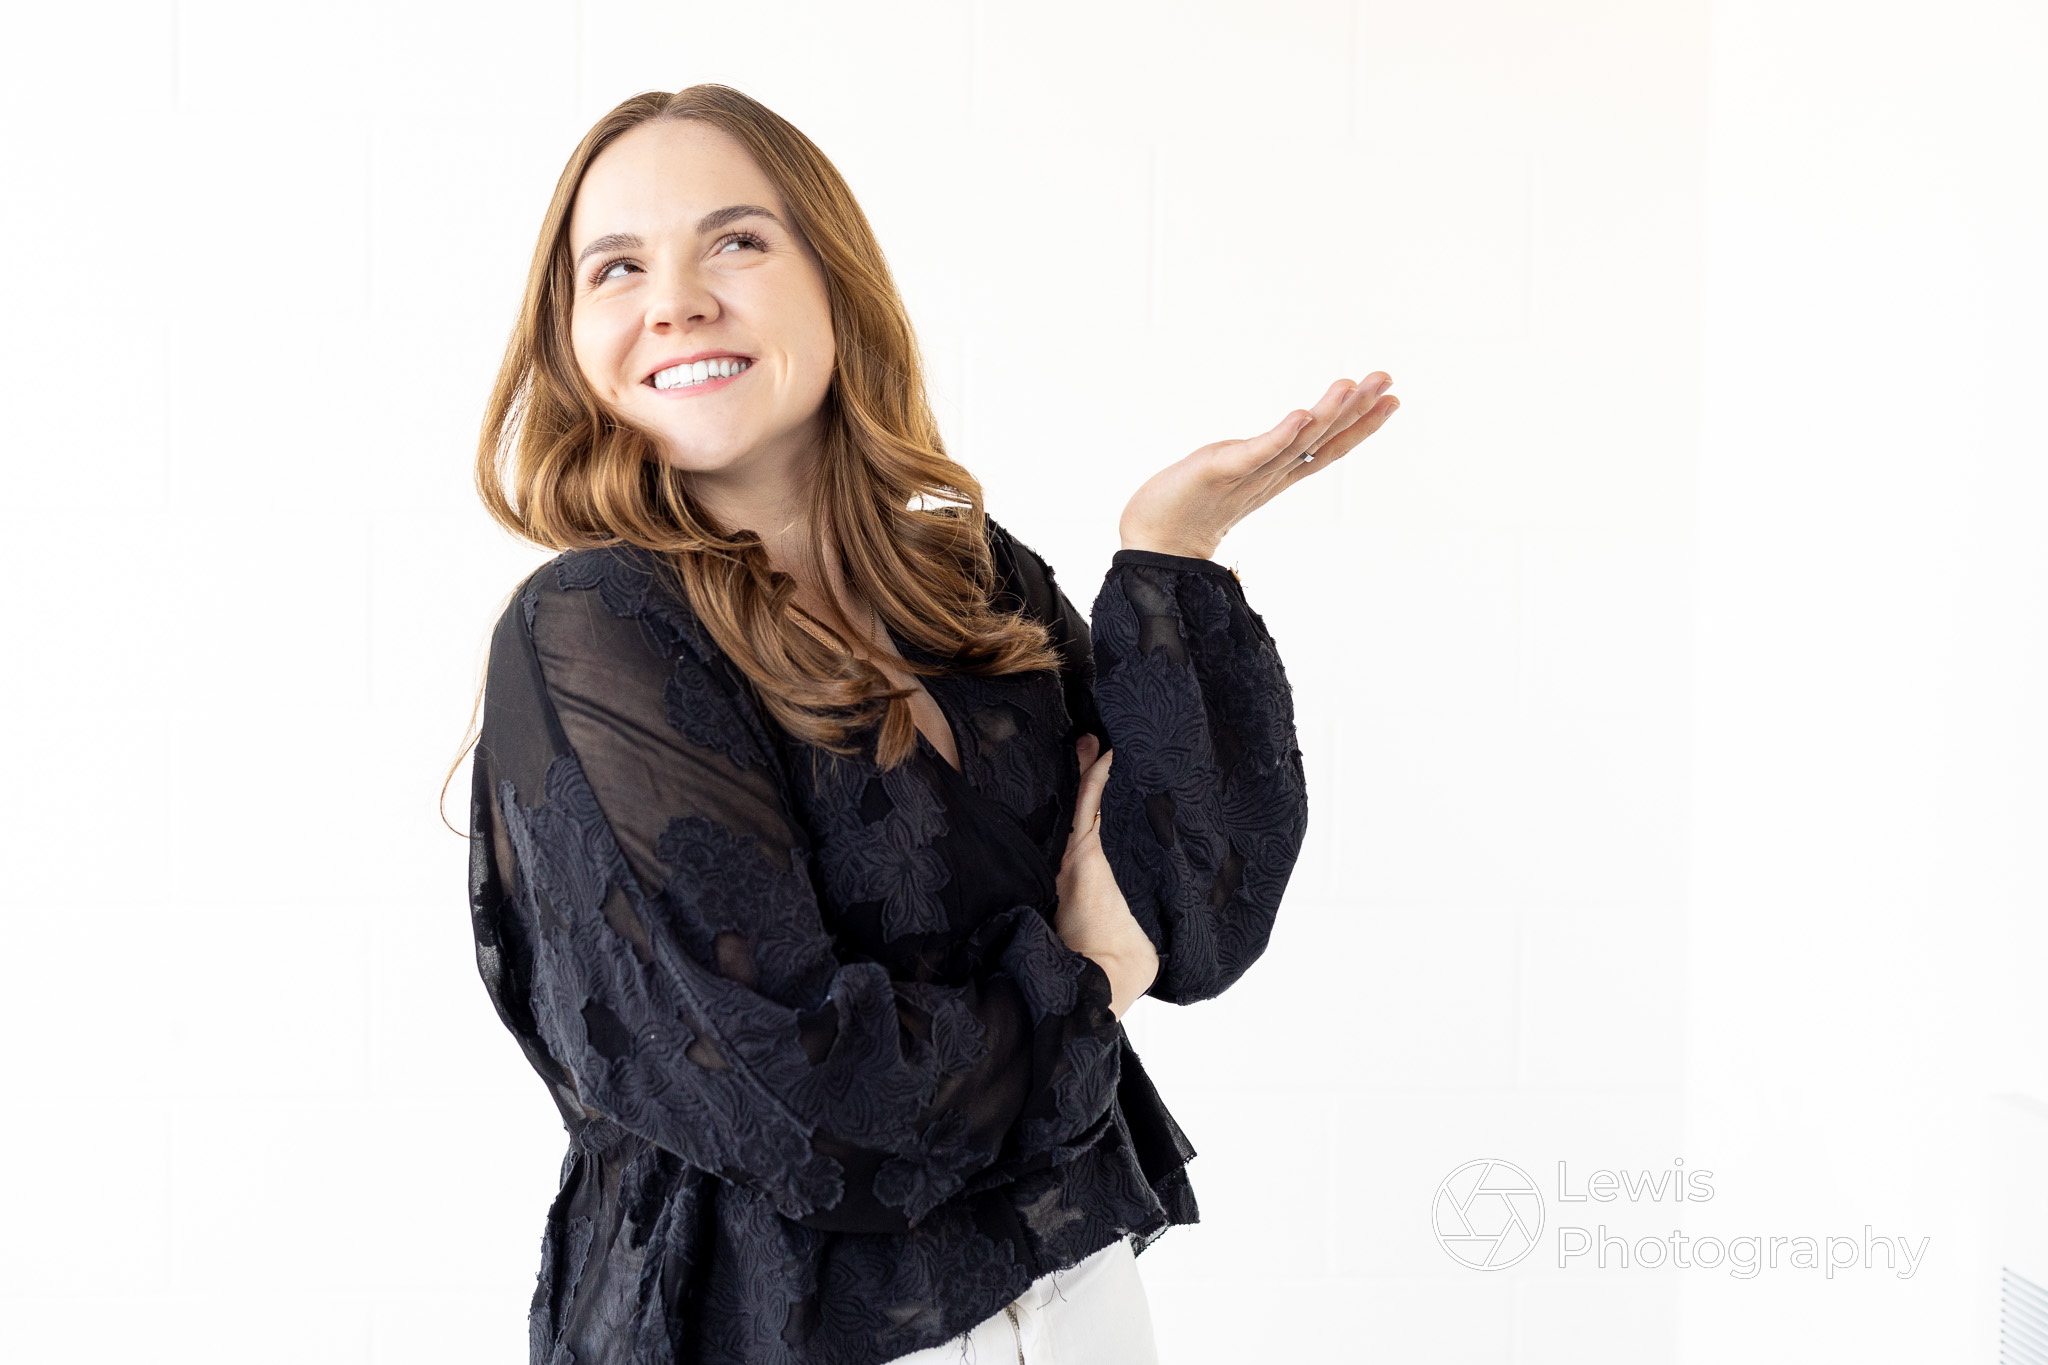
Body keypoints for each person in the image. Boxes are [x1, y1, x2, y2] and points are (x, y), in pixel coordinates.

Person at [464, 83, 1400, 1365]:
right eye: (614, 266)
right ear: (572, 339)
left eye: (734, 240)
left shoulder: (963, 581)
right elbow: (798, 1102)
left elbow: (1192, 911)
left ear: (835, 284)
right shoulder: (593, 629)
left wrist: (1169, 554)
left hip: (1070, 1306)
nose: (673, 298)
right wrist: (1083, 981)